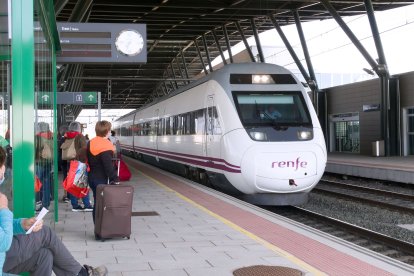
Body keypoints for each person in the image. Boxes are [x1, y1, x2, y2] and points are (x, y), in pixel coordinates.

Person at [0, 147, 108, 275]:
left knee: (44, 256)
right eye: (2, 165)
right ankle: (81, 274)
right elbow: (4, 242)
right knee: (46, 233)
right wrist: (3, 208)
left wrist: (22, 224)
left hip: (5, 256)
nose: (4, 169)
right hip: (5, 252)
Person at [87, 121, 119, 223]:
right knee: (100, 204)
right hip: (100, 179)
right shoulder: (105, 145)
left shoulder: (91, 142)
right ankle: (99, 230)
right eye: (109, 130)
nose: (110, 131)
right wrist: (115, 178)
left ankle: (98, 228)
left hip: (92, 177)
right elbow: (108, 165)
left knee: (97, 202)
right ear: (106, 131)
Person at [62, 122, 93, 212]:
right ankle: (87, 205)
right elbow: (84, 149)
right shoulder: (80, 137)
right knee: (83, 184)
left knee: (73, 184)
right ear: (79, 128)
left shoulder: (66, 136)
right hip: (80, 163)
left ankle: (75, 205)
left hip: (70, 163)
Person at [35, 122, 53, 211]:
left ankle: (36, 202)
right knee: (46, 184)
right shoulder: (51, 136)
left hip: (39, 163)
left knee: (36, 183)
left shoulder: (37, 137)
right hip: (49, 163)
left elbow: (34, 149)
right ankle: (45, 205)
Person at [58, 124, 70, 203]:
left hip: (64, 162)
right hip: (70, 161)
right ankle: (71, 195)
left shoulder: (61, 140)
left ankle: (66, 195)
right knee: (71, 178)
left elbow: (59, 150)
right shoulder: (70, 138)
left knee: (66, 178)